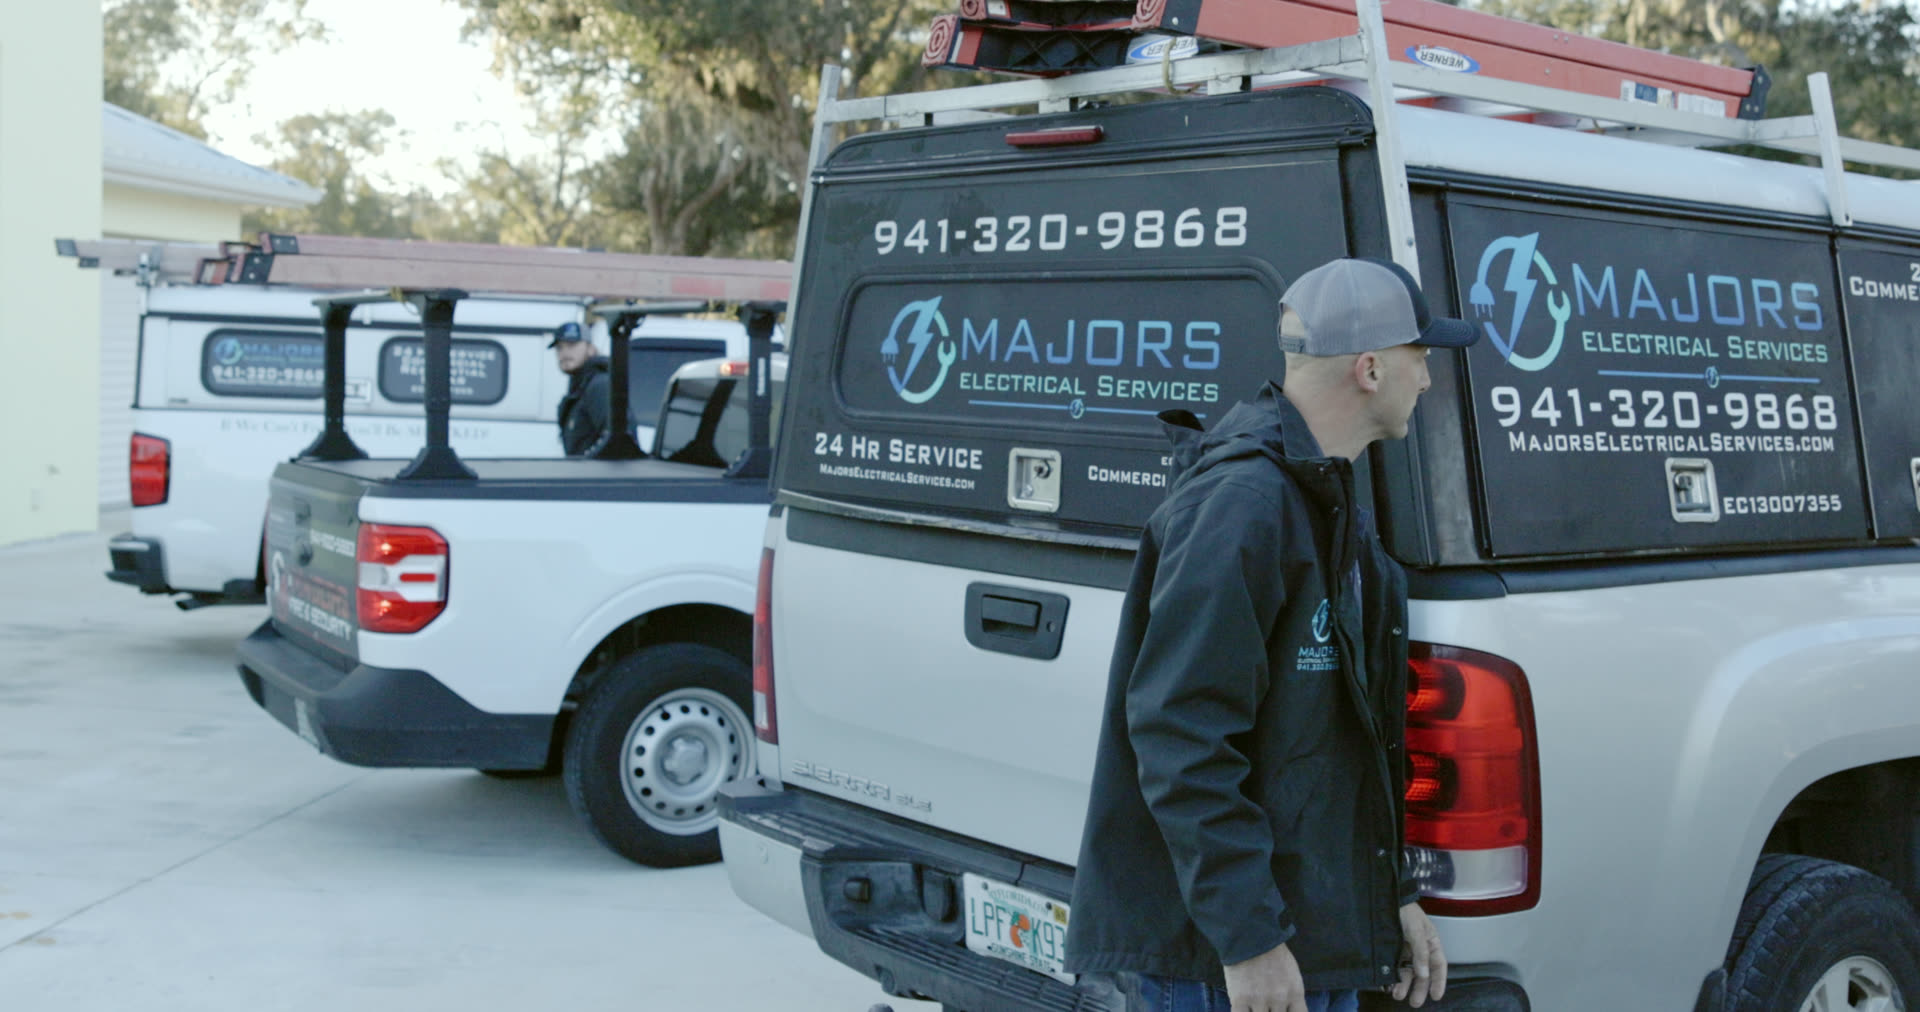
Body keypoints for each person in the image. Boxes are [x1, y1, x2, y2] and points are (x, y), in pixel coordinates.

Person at [1063, 257, 1480, 1012]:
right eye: (1419, 359)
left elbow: (1347, 746)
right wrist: (1247, 936)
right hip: (1229, 965)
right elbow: (1181, 735)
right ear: (1370, 370)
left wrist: (1394, 895)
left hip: (1308, 944)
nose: (1427, 379)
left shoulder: (1321, 494)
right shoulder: (1243, 506)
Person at [552, 320, 624, 456]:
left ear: (591, 349)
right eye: (559, 347)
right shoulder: (581, 387)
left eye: (572, 345)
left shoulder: (599, 385)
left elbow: (615, 442)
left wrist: (589, 466)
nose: (564, 353)